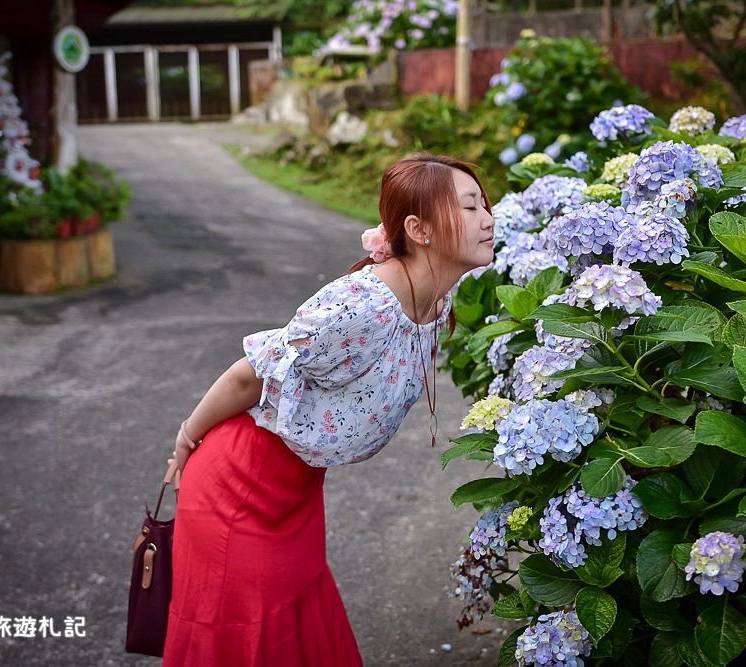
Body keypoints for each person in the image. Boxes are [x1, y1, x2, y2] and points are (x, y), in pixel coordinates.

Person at [161, 154, 495, 666]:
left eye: (484, 204)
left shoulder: (436, 299)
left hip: (293, 490)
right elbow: (249, 373)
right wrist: (187, 438)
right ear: (418, 229)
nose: (488, 219)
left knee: (294, 625)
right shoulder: (364, 304)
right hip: (239, 485)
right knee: (247, 634)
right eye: (471, 207)